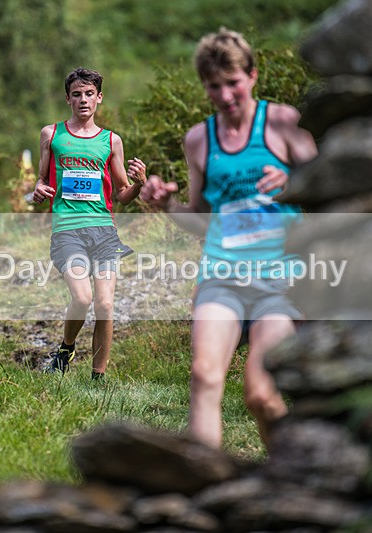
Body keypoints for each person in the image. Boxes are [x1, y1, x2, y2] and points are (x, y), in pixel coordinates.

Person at [140, 28, 318, 449]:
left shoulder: (282, 122)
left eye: (232, 82)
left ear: (252, 75)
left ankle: (286, 470)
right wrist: (166, 205)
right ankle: (206, 480)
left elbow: (332, 186)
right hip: (222, 276)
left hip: (280, 279)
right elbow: (202, 219)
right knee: (204, 375)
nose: (224, 95)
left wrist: (294, 181)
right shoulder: (199, 139)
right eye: (213, 86)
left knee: (261, 395)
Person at [32, 67, 146, 381]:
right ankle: (66, 349)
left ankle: (98, 378)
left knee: (105, 305)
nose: (83, 100)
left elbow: (123, 195)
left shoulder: (111, 141)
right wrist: (38, 189)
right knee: (83, 298)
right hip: (67, 230)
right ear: (68, 99)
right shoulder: (52, 134)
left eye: (89, 94)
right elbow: (41, 180)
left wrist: (139, 183)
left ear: (99, 98)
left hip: (104, 233)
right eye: (77, 94)